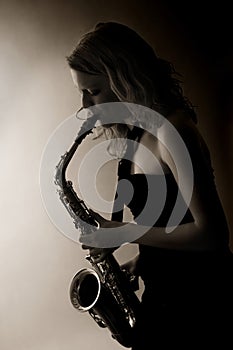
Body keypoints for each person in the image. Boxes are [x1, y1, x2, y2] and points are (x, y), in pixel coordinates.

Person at [66, 22, 232, 348]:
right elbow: (173, 220)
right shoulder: (136, 134)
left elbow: (212, 234)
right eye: (81, 92)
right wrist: (144, 260)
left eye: (94, 90)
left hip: (202, 305)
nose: (86, 105)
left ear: (125, 79)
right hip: (167, 299)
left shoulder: (173, 132)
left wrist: (122, 232)